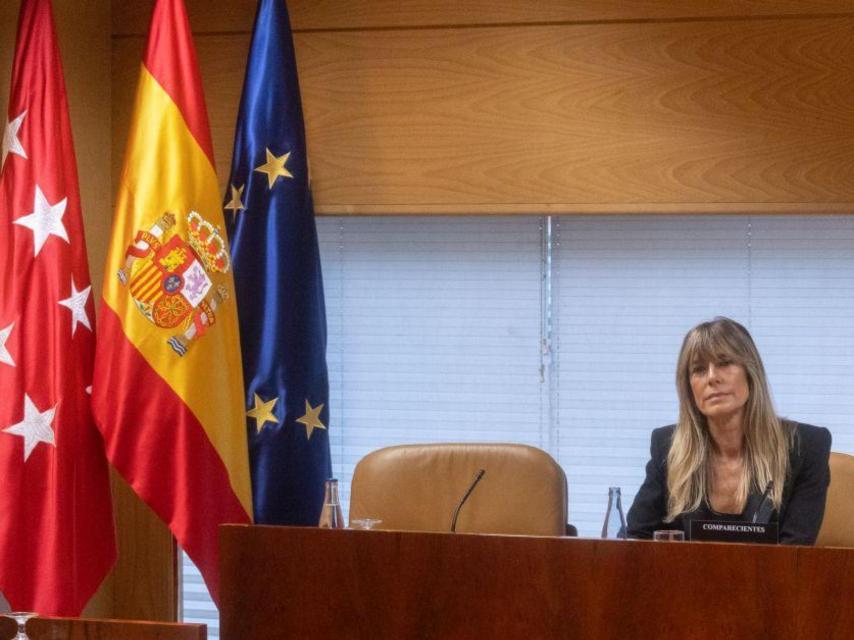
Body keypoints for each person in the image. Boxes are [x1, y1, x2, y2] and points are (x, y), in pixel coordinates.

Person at [626, 317, 831, 545]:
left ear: (750, 373)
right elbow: (636, 539)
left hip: (771, 580)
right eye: (699, 369)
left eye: (724, 363)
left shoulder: (805, 447)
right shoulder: (667, 446)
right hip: (683, 580)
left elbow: (795, 554)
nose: (712, 377)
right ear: (689, 387)